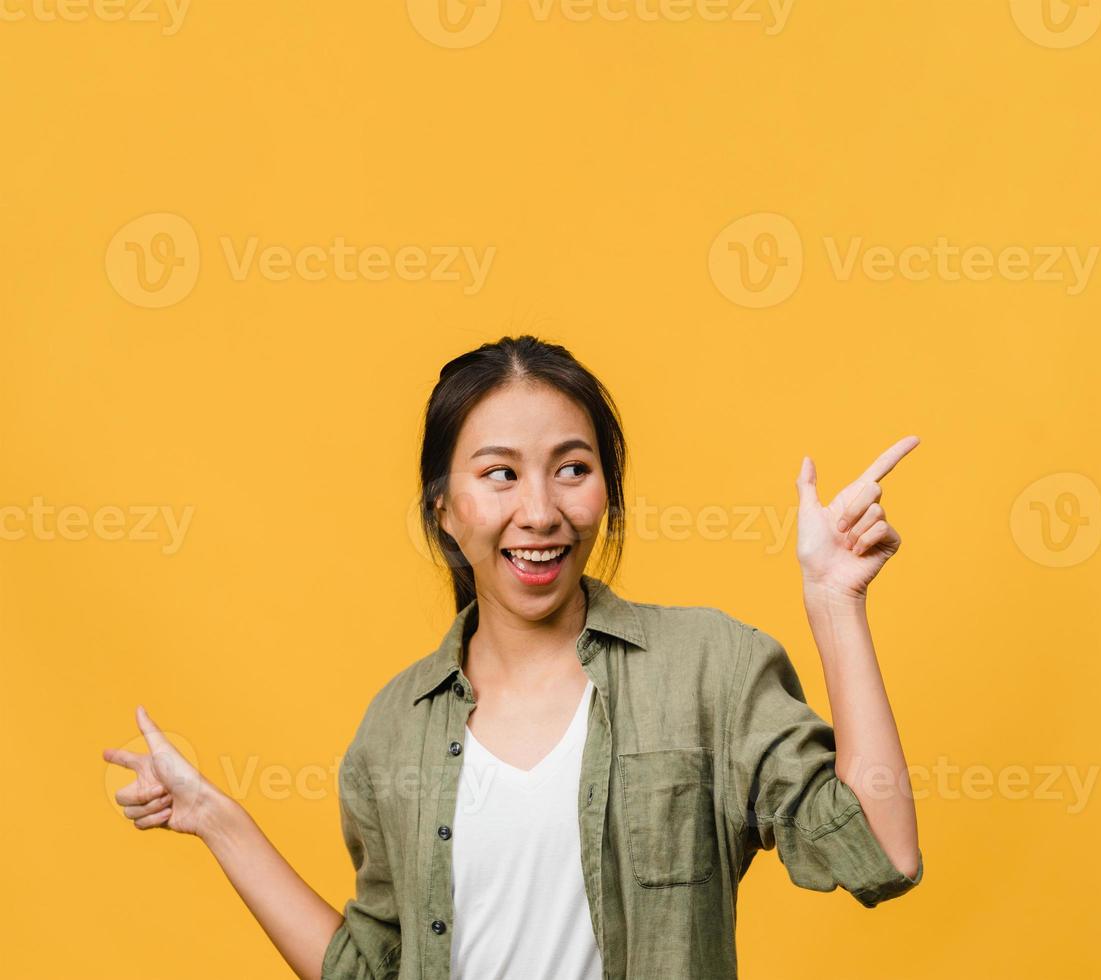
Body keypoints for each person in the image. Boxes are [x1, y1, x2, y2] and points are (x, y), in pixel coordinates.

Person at [100, 336, 925, 978]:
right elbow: (369, 970)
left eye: (573, 468)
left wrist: (834, 601)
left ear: (607, 488)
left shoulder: (709, 669)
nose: (540, 511)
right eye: (500, 474)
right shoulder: (395, 729)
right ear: (444, 509)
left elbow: (881, 853)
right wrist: (214, 820)